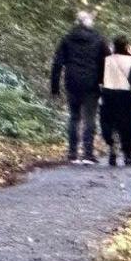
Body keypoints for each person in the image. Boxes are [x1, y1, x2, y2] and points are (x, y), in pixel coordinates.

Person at [49, 11, 108, 165]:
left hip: (72, 82)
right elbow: (107, 63)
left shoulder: (67, 39)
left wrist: (55, 87)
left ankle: (72, 153)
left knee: (74, 117)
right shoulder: (99, 39)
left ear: (77, 22)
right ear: (89, 23)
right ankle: (88, 154)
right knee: (89, 118)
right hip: (92, 84)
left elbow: (57, 63)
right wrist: (105, 83)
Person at [99, 35, 131, 168]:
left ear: (114, 46)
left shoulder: (106, 60)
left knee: (109, 123)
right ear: (127, 46)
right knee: (128, 126)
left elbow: (99, 78)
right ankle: (127, 154)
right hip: (126, 96)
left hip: (108, 94)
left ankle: (112, 147)